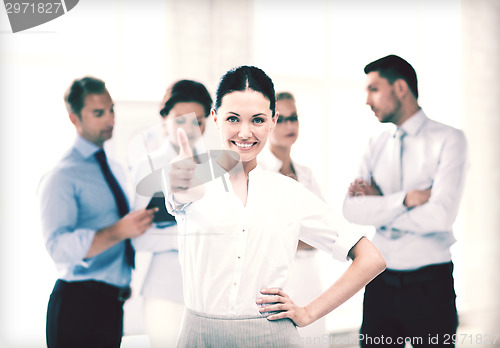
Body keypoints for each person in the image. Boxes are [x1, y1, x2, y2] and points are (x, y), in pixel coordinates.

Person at [165, 65, 386, 347]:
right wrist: (182, 179)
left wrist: (308, 313)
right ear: (215, 118)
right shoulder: (189, 180)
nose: (245, 133)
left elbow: (372, 259)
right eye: (233, 118)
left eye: (257, 120)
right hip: (200, 338)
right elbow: (180, 192)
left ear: (273, 121)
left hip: (273, 337)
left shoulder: (290, 193)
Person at [343, 55, 468, 347]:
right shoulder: (374, 144)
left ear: (400, 88)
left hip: (430, 285)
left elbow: (441, 217)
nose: (367, 101)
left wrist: (380, 206)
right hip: (380, 282)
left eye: (374, 89)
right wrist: (405, 200)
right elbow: (350, 209)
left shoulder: (449, 139)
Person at [38, 76, 156, 348]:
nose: (110, 119)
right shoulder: (61, 176)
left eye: (112, 109)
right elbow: (57, 246)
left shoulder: (115, 169)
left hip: (112, 305)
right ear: (74, 118)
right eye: (98, 113)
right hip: (77, 305)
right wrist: (118, 231)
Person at [130, 79, 212, 347]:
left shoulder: (215, 166)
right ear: (164, 118)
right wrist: (186, 237)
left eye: (197, 121)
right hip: (164, 291)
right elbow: (138, 237)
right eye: (180, 120)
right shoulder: (148, 167)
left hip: (210, 290)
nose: (189, 130)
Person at [258, 91, 327, 341]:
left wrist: (292, 236)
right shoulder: (258, 173)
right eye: (281, 118)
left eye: (294, 118)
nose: (289, 125)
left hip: (310, 279)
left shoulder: (306, 174)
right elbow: (259, 236)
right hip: (275, 282)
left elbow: (327, 232)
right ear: (268, 122)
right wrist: (302, 235)